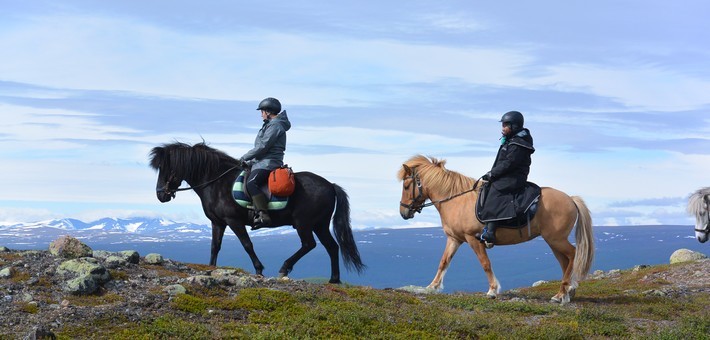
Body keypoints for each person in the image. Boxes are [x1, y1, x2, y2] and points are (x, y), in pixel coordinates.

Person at [478, 110, 535, 248]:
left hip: (514, 177)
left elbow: (509, 163)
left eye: (505, 125)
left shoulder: (518, 143)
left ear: (514, 126)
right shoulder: (511, 140)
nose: (503, 128)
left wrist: (492, 174)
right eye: (502, 125)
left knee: (496, 189)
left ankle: (490, 232)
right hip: (508, 174)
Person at [239, 97, 291, 230]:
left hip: (268, 163)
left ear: (268, 111)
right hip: (260, 162)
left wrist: (245, 157)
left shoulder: (275, 125)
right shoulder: (270, 125)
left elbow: (263, 146)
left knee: (252, 183)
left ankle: (263, 214)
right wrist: (250, 161)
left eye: (262, 111)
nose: (261, 114)